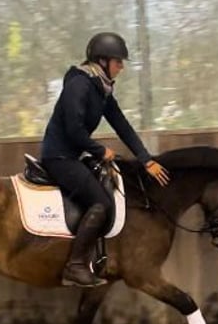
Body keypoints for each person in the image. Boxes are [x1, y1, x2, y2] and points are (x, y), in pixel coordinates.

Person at [40, 32, 170, 287]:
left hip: (74, 155)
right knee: (100, 202)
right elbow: (73, 129)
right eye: (118, 61)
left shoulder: (101, 89)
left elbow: (122, 125)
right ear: (102, 61)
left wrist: (146, 160)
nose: (121, 67)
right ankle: (75, 266)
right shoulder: (79, 85)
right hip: (58, 157)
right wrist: (100, 150)